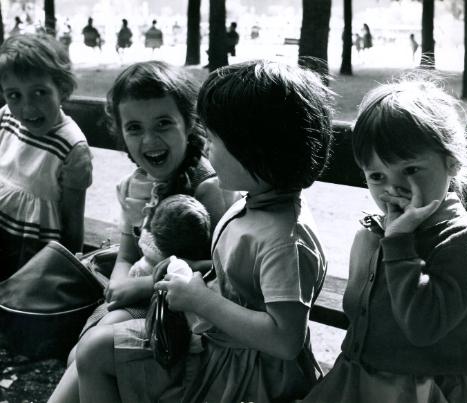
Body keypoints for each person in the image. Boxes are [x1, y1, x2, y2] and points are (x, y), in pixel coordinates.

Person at [51, 59, 336, 403]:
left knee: (95, 352)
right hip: (216, 341)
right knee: (92, 351)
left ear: (256, 150)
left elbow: (284, 340)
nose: (207, 147)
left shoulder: (284, 241)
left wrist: (200, 298)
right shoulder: (255, 205)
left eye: (215, 139)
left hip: (241, 369)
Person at [48, 60, 239, 403]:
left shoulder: (206, 186)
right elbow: (127, 251)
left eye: (163, 123)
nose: (149, 139)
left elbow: (218, 269)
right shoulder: (135, 185)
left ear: (189, 123)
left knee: (89, 353)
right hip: (141, 297)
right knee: (79, 355)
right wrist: (119, 284)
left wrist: (138, 286)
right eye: (134, 127)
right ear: (121, 132)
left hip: (184, 314)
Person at [301, 75, 467, 403]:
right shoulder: (382, 230)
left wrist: (398, 242)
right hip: (364, 377)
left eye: (410, 170)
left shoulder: (462, 240)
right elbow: (359, 311)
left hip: (427, 388)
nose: (393, 188)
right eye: (377, 176)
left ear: (452, 161)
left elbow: (423, 327)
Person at [0, 33, 93, 280]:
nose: (27, 107)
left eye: (39, 92)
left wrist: (71, 270)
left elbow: (73, 220)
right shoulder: (6, 118)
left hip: (32, 252)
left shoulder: (72, 147)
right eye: (14, 95)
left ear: (62, 89)